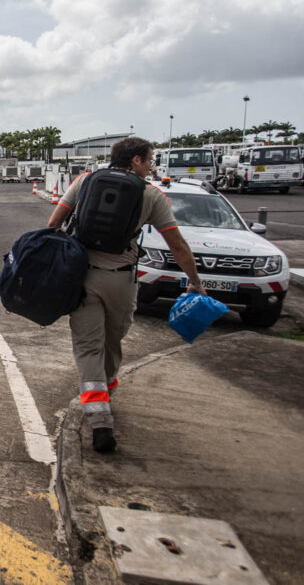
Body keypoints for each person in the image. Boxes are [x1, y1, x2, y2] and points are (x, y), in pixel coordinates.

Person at [47, 137, 204, 454]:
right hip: (122, 281)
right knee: (112, 343)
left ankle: (100, 419)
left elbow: (53, 224)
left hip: (83, 278)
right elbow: (177, 245)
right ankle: (105, 400)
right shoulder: (151, 194)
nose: (150, 167)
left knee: (88, 348)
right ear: (136, 161)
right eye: (149, 160)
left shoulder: (84, 181)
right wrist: (195, 282)